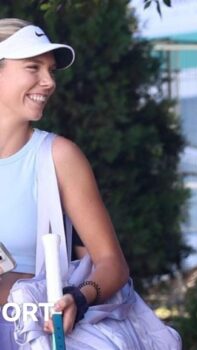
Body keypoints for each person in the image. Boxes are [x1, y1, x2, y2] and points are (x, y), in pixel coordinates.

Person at [0, 18, 129, 348]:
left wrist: (78, 297)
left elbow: (111, 264)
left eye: (51, 70)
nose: (48, 82)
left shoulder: (58, 157)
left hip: (26, 334)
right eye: (33, 67)